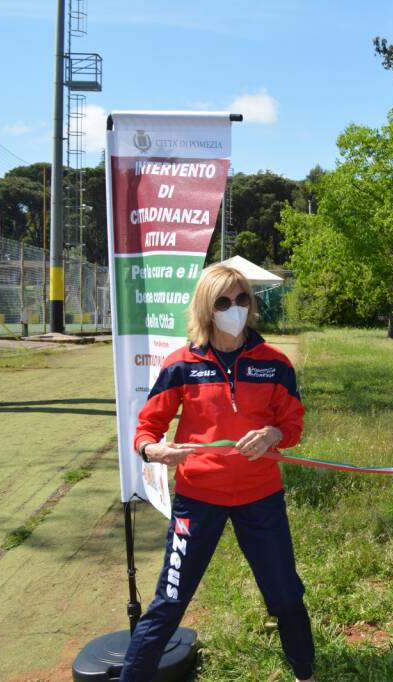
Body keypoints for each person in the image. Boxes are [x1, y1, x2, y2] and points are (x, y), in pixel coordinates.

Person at [121, 264, 314, 682]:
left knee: (285, 596)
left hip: (260, 498)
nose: (235, 308)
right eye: (223, 301)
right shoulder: (182, 364)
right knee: (169, 603)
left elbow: (294, 426)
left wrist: (274, 433)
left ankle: (306, 674)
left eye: (242, 298)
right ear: (207, 308)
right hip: (198, 499)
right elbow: (146, 429)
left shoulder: (275, 363)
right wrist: (153, 449)